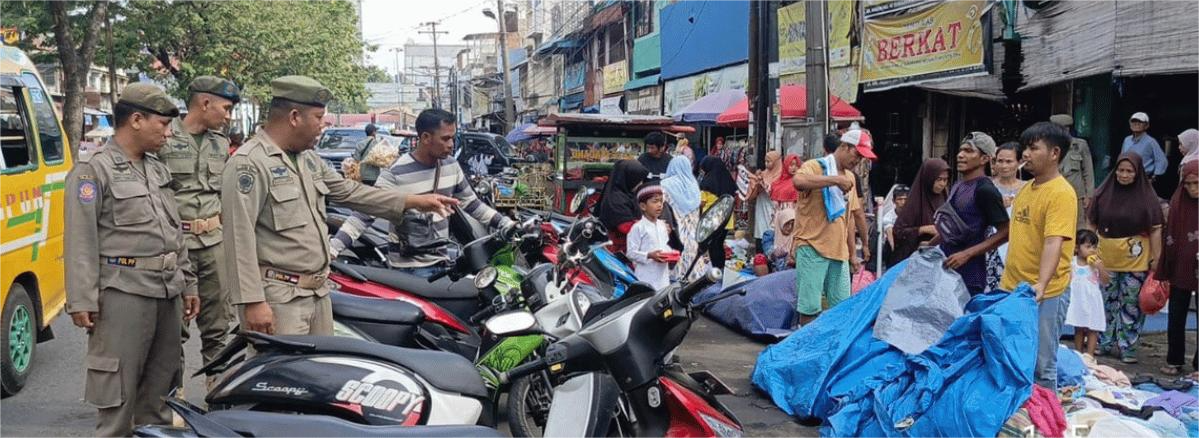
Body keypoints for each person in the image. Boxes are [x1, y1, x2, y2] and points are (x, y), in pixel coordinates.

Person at [221, 76, 457, 337]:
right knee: (286, 374)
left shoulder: (308, 159)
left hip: (318, 293)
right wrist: (253, 302)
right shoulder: (249, 163)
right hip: (279, 297)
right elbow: (237, 238)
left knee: (321, 374)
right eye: (319, 117)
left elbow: (349, 191)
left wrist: (412, 201)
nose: (325, 124)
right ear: (295, 117)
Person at [65, 83, 200, 438]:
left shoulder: (157, 170)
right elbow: (81, 238)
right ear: (136, 120)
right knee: (117, 402)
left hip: (167, 291)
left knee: (160, 397)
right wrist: (81, 299)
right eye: (163, 124)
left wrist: (188, 282)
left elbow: (175, 232)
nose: (169, 134)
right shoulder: (93, 171)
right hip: (122, 293)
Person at [331, 109, 513, 276]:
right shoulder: (396, 172)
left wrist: (506, 224)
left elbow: (472, 204)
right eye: (445, 139)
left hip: (442, 261)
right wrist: (333, 249)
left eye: (452, 138)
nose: (451, 145)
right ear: (426, 137)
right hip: (409, 267)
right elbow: (365, 213)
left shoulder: (451, 166)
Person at [160, 75, 240, 380]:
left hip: (213, 244)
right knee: (172, 329)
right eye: (226, 107)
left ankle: (217, 394)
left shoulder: (220, 144)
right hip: (175, 245)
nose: (228, 115)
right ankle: (171, 396)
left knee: (218, 325)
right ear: (204, 103)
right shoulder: (165, 138)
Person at [999, 121, 1078, 389]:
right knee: (1014, 356)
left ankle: (1044, 423)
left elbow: (1054, 242)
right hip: (1013, 288)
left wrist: (1042, 285)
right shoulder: (1025, 190)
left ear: (1055, 153)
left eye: (1034, 148)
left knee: (1043, 364)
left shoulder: (1061, 193)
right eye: (1026, 148)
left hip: (1046, 292)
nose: (1026, 155)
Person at [791, 129, 876, 326]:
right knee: (809, 308)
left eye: (862, 157)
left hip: (839, 252)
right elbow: (798, 181)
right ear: (845, 147)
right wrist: (834, 180)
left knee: (842, 309)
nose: (858, 160)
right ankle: (808, 348)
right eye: (857, 154)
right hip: (812, 246)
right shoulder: (816, 166)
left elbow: (850, 218)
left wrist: (856, 250)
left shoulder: (850, 178)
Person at [1088, 153, 1164, 363]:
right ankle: (1103, 342)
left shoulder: (1147, 198)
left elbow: (1156, 228)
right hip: (1106, 258)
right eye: (1120, 170)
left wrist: (1156, 258)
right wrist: (1089, 251)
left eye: (1129, 171)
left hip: (1136, 261)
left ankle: (1127, 346)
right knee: (1105, 301)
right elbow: (1091, 224)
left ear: (1138, 173)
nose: (1124, 175)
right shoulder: (1103, 194)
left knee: (1131, 304)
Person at [939, 132, 1011, 295]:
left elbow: (1006, 232)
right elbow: (953, 222)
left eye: (968, 151)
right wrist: (930, 245)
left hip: (969, 274)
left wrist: (966, 254)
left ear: (984, 159)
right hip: (947, 267)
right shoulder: (958, 184)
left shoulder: (985, 190)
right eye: (960, 150)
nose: (960, 155)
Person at [1158, 161, 1199, 377]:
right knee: (1176, 315)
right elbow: (1171, 235)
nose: (1193, 189)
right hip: (1181, 267)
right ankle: (1174, 359)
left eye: (1197, 183)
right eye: (1189, 184)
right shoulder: (1178, 202)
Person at [888, 158, 949, 266]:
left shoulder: (944, 198)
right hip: (916, 262)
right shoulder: (915, 202)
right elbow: (898, 232)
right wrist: (922, 230)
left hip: (940, 260)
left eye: (945, 180)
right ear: (929, 178)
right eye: (938, 179)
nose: (942, 184)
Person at [986, 141, 1027, 291]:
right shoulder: (987, 186)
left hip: (1018, 243)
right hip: (991, 244)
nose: (1004, 166)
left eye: (1009, 161)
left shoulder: (1028, 188)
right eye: (1000, 161)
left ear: (1019, 163)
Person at [661, 155, 706, 281]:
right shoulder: (694, 186)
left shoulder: (664, 185)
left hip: (675, 235)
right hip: (693, 235)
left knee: (676, 268)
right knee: (692, 265)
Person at [1066, 229, 1108, 358]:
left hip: (1092, 299)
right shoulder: (1072, 262)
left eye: (1094, 247)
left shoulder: (1096, 264)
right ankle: (1078, 353)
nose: (1092, 250)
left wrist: (1100, 268)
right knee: (1078, 327)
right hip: (1078, 299)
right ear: (1077, 248)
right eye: (1088, 247)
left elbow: (1105, 281)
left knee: (1093, 328)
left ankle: (1089, 355)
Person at [597, 160, 650, 255]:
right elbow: (626, 227)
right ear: (629, 179)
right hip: (618, 252)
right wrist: (652, 228)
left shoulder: (627, 195)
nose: (641, 183)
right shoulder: (616, 200)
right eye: (638, 180)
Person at [1051, 114, 1095, 228]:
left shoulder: (1080, 145)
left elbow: (1088, 171)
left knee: (1078, 225)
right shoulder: (1048, 145)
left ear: (1067, 129)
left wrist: (1089, 195)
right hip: (1053, 192)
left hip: (1077, 193)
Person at [626, 185, 673, 290]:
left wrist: (671, 254)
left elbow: (664, 245)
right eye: (655, 201)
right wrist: (649, 255)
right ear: (643, 206)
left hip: (663, 277)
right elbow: (631, 253)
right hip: (646, 276)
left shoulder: (663, 225)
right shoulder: (638, 228)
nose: (659, 205)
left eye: (661, 201)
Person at [699, 156, 737, 270]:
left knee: (713, 246)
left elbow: (701, 202)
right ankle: (721, 269)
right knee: (719, 244)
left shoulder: (706, 182)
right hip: (726, 220)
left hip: (712, 220)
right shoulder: (728, 181)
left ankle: (716, 270)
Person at [746, 151, 781, 245]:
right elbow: (752, 195)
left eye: (769, 161)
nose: (766, 164)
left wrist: (764, 184)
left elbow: (777, 191)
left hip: (774, 207)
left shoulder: (781, 176)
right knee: (761, 231)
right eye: (765, 161)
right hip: (762, 207)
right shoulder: (763, 174)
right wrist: (756, 183)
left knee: (774, 232)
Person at [1121, 112, 1167, 179]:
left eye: (1140, 122)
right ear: (1130, 124)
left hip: (1142, 178)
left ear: (1146, 125)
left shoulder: (1151, 141)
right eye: (1133, 121)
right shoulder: (1126, 140)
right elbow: (1122, 158)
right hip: (1126, 177)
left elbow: (1161, 160)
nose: (1136, 123)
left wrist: (1154, 177)